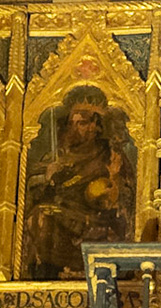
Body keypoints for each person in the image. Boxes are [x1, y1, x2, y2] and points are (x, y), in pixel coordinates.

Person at [24, 86, 136, 280]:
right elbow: (35, 185)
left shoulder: (109, 155)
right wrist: (49, 177)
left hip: (97, 215)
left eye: (82, 123)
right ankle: (47, 275)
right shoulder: (58, 155)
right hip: (64, 211)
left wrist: (113, 178)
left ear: (95, 126)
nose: (75, 129)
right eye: (72, 123)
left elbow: (127, 195)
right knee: (39, 216)